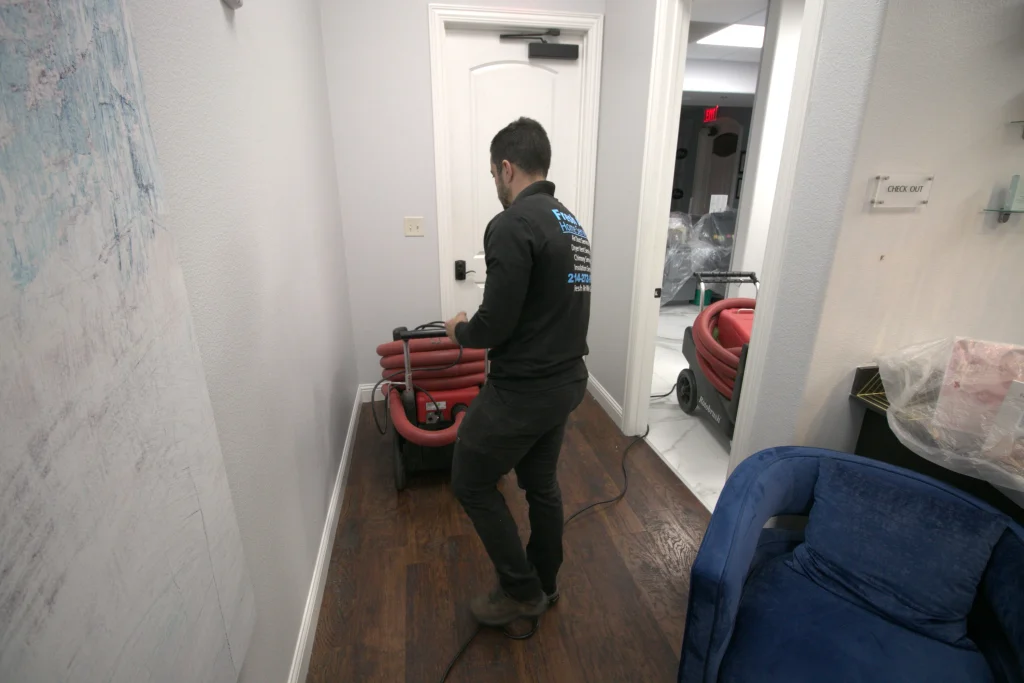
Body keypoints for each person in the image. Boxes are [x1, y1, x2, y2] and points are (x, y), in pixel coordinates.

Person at [444, 117, 592, 626]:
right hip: (566, 382)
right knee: (540, 483)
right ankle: (547, 582)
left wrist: (460, 331)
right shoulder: (571, 223)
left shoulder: (511, 224)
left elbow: (495, 323)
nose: (496, 186)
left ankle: (521, 592)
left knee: (469, 480)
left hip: (525, 389)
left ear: (506, 168)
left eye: (493, 175)